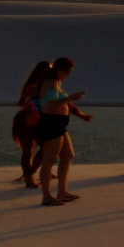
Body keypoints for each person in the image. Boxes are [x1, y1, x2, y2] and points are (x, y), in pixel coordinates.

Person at [13, 61, 93, 188]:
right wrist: (81, 114)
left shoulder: (34, 84)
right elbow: (63, 103)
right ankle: (31, 175)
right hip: (39, 119)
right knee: (45, 148)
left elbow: (21, 102)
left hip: (25, 118)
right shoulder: (49, 84)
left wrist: (30, 103)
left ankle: (30, 174)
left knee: (29, 150)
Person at [36, 58, 87, 206]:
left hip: (59, 125)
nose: (67, 75)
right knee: (49, 160)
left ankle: (62, 191)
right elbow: (53, 106)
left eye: (69, 72)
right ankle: (46, 196)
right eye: (66, 72)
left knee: (68, 155)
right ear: (59, 69)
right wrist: (71, 97)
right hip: (51, 124)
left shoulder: (56, 83)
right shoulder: (50, 83)